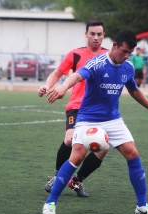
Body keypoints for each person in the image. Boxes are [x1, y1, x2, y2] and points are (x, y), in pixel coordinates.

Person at [41, 30, 148, 214]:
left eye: (130, 53)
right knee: (76, 156)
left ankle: (142, 206)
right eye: (124, 51)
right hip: (87, 118)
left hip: (112, 119)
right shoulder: (97, 63)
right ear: (115, 46)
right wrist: (62, 87)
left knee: (132, 153)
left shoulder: (128, 67)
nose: (126, 56)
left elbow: (134, 90)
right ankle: (51, 202)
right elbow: (76, 76)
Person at [38, 19, 108, 197]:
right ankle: (57, 177)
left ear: (103, 35)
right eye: (92, 34)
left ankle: (77, 181)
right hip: (77, 106)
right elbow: (57, 73)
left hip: (99, 110)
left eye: (99, 34)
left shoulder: (109, 56)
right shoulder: (75, 54)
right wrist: (47, 86)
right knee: (70, 140)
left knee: (102, 148)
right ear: (86, 35)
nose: (95, 37)